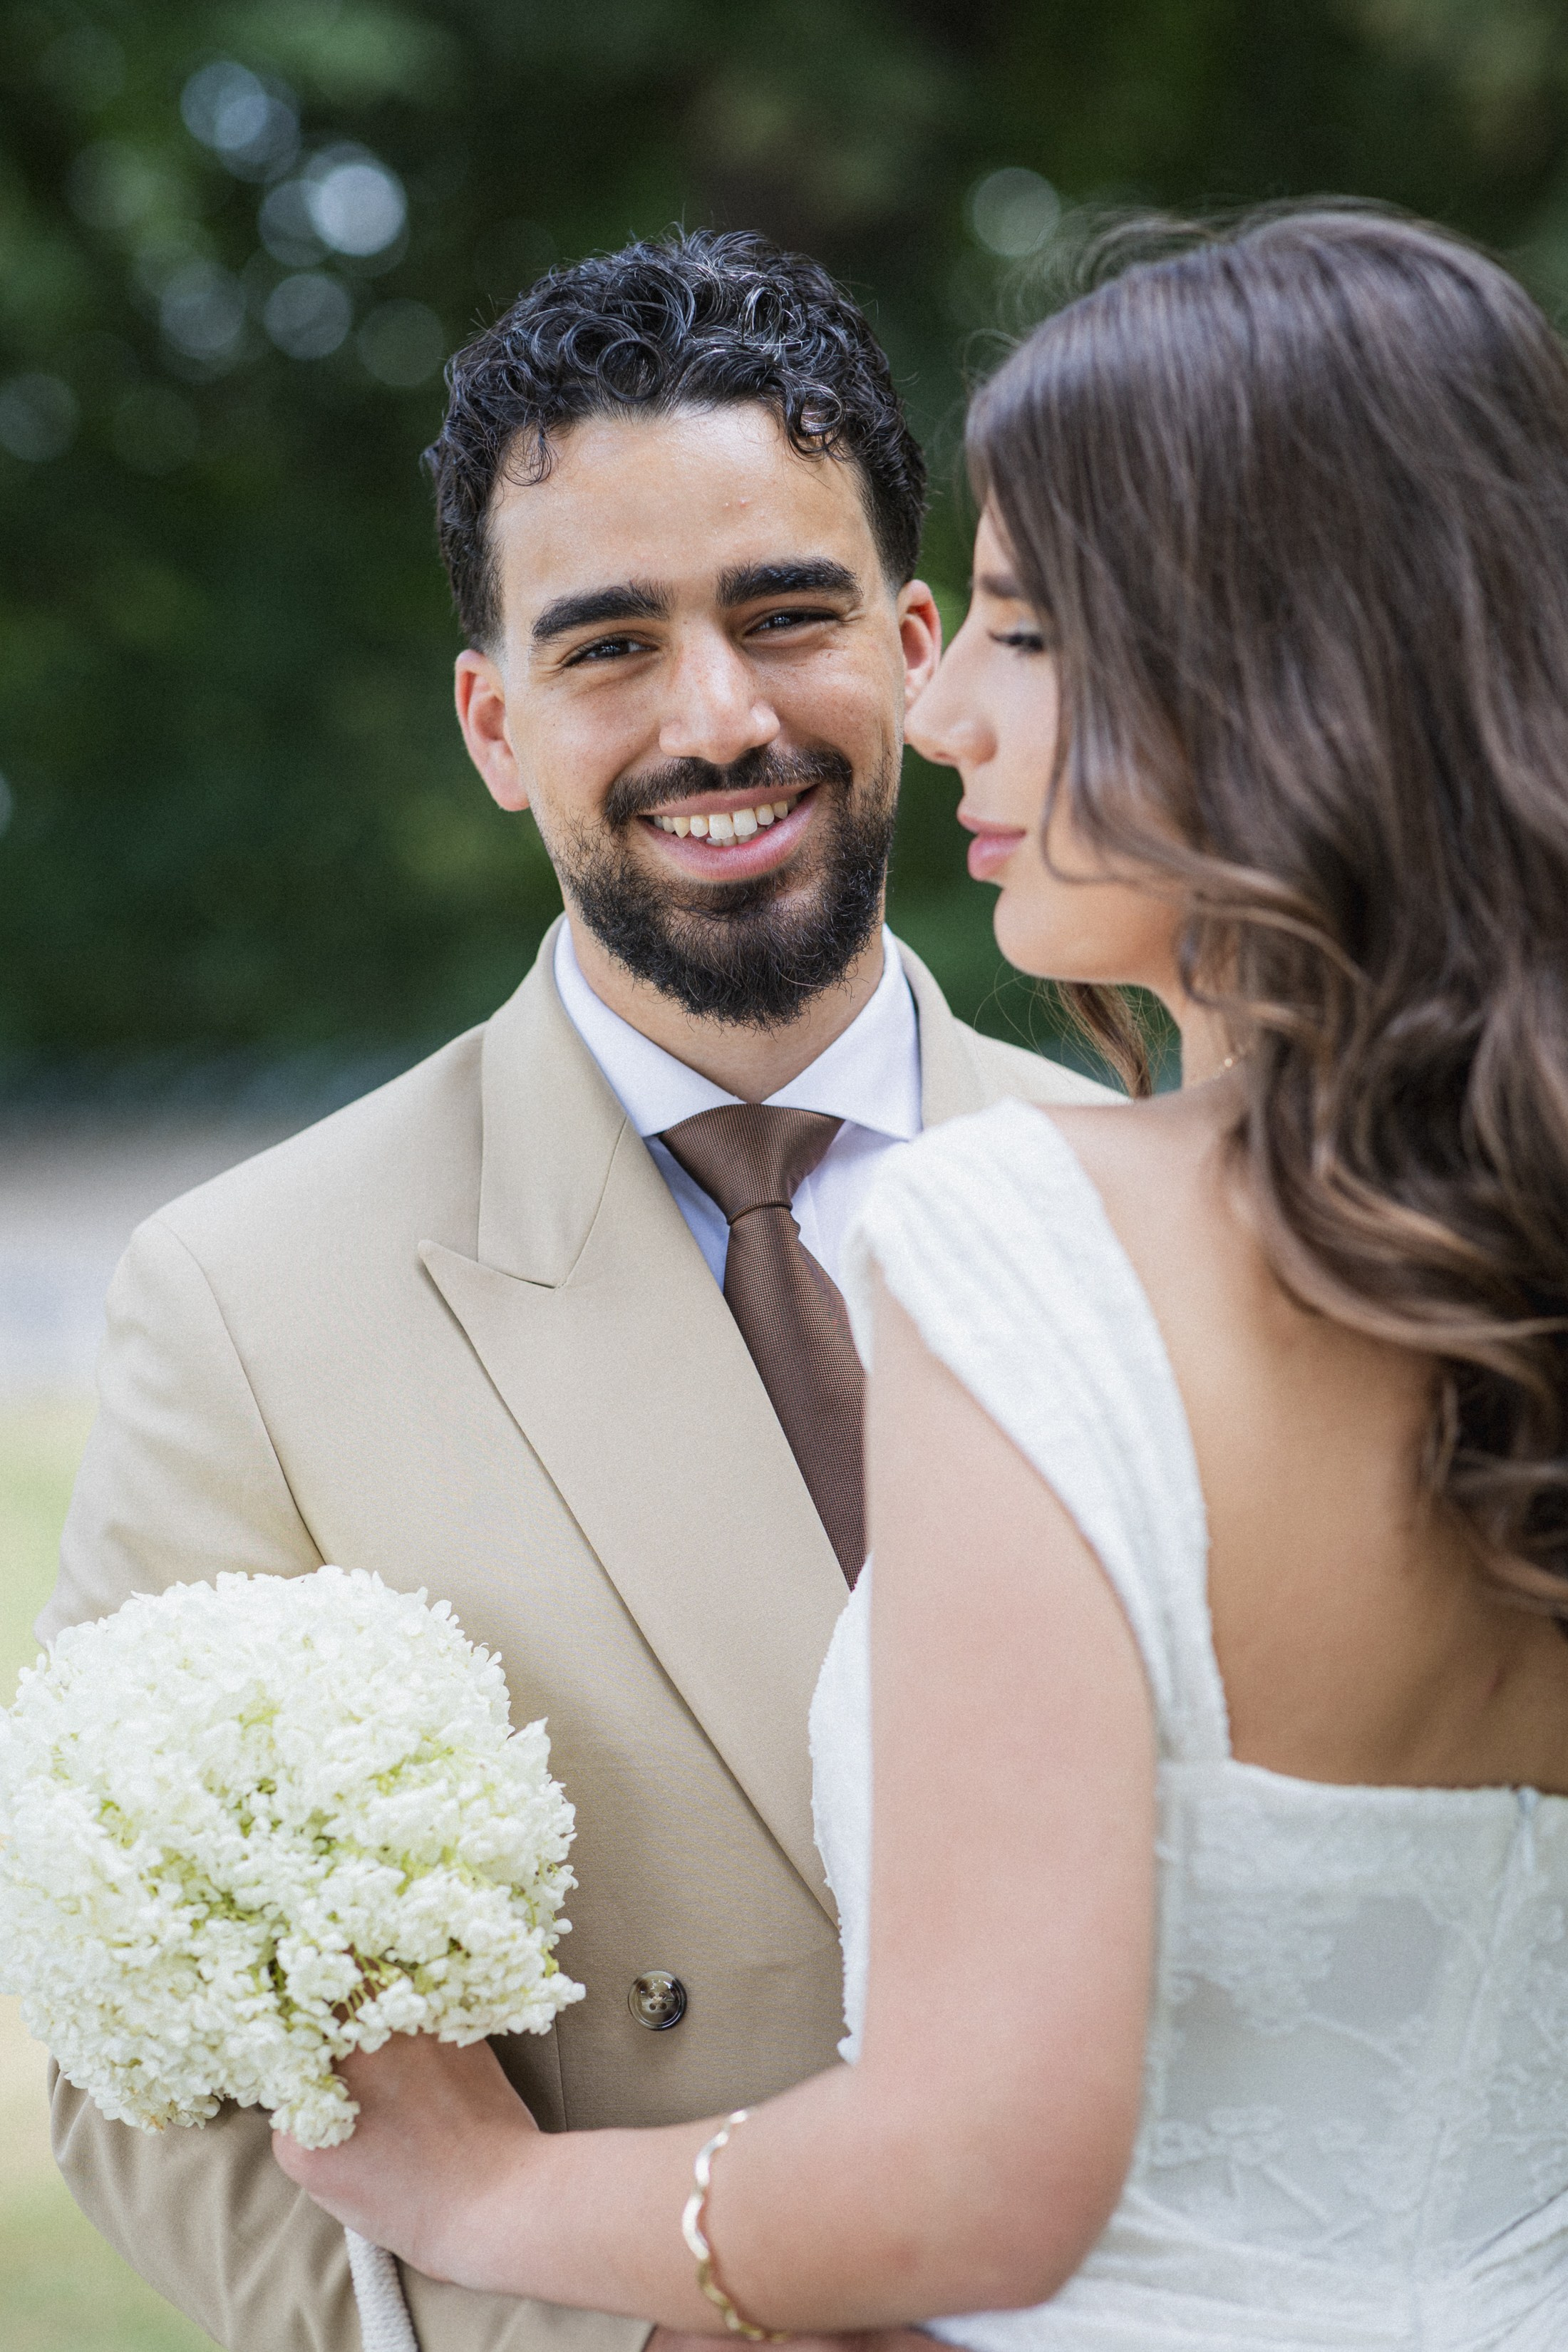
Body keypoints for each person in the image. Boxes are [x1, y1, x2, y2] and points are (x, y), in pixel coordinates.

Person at [275, 207, 1568, 2349]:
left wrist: (485, 2188)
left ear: (1292, 672)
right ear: (493, 717)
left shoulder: (1033, 1232)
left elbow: (978, 2180)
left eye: (1036, 635)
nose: (942, 699)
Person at [38, 231, 1109, 2352]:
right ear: (492, 722)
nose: (719, 719)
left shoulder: (1160, 1196)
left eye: (784, 614)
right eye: (608, 645)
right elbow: (155, 2096)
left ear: (911, 642)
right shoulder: (242, 1303)